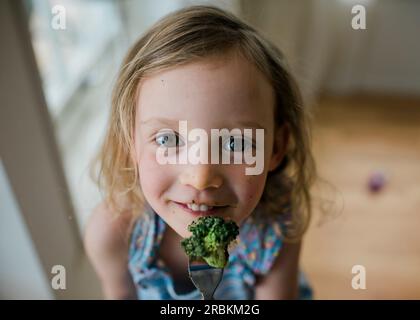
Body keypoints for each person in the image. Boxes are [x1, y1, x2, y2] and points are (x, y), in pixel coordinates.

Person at [84, 5, 316, 300]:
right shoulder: (114, 234)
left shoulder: (274, 227)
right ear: (131, 143)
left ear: (276, 149)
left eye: (236, 144)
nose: (201, 177)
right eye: (168, 139)